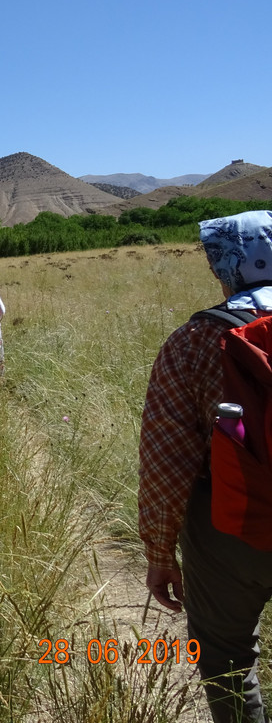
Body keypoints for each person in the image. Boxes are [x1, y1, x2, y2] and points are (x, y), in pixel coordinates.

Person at [140, 210, 272, 723]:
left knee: (226, 660)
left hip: (230, 526)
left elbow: (166, 460)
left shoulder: (194, 340)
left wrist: (159, 551)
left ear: (223, 266)